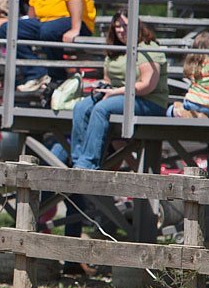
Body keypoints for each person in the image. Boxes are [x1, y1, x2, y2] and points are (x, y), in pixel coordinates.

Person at [70, 9, 168, 170]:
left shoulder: (147, 47)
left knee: (101, 109)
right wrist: (100, 86)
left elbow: (147, 85)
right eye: (117, 27)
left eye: (125, 26)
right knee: (81, 107)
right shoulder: (115, 50)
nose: (121, 30)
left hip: (148, 100)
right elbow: (108, 80)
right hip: (118, 96)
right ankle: (78, 160)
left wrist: (114, 92)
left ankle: (88, 164)